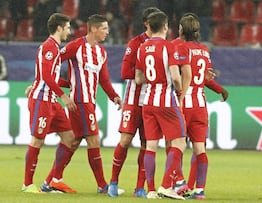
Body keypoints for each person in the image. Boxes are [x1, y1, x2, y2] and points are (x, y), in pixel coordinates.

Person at [40, 14, 123, 194]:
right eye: (104, 28)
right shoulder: (76, 46)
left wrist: (114, 96)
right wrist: (42, 83)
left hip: (89, 102)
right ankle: (102, 186)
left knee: (74, 141)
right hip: (79, 101)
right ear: (93, 29)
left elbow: (104, 79)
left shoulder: (102, 52)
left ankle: (50, 181)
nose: (107, 32)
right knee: (94, 140)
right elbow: (52, 63)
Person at [171, 12, 228, 197]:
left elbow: (181, 76)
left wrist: (179, 96)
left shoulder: (180, 48)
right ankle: (200, 189)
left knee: (177, 145)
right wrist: (219, 88)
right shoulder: (204, 50)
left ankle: (177, 184)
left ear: (181, 29)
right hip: (201, 105)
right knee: (200, 148)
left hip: (184, 103)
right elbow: (203, 78)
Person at [135, 11, 189, 200]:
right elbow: (175, 76)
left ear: (150, 27)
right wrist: (180, 90)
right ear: (165, 26)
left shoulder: (142, 48)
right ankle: (166, 186)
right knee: (180, 142)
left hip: (148, 101)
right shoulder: (168, 47)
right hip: (166, 100)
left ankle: (150, 190)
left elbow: (138, 78)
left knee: (151, 145)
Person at [107, 6, 161, 198]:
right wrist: (148, 74)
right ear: (147, 23)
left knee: (147, 145)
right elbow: (124, 72)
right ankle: (113, 182)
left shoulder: (163, 44)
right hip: (133, 100)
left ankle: (140, 188)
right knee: (126, 139)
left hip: (152, 101)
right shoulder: (135, 43)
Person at [22, 13, 77, 193]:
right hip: (42, 100)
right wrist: (64, 95)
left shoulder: (55, 47)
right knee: (37, 140)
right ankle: (27, 184)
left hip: (51, 101)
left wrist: (72, 84)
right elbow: (45, 76)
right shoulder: (49, 47)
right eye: (68, 27)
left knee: (70, 137)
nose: (70, 31)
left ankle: (51, 181)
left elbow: (50, 77)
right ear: (59, 28)